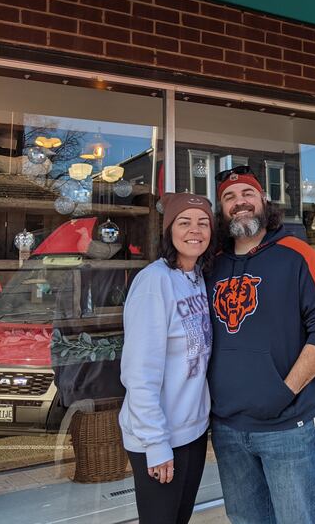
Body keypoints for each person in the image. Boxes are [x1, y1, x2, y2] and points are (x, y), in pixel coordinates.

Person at [207, 166, 315, 524]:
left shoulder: (296, 254)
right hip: (227, 427)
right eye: (229, 198)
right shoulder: (212, 265)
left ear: (264, 201)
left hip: (288, 426)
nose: (240, 203)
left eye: (247, 194)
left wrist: (286, 391)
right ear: (221, 211)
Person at [119, 193, 216, 524]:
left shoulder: (199, 278)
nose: (195, 230)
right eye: (184, 222)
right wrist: (156, 444)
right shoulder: (154, 282)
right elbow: (139, 373)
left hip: (192, 432)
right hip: (158, 436)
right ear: (169, 230)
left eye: (203, 223)